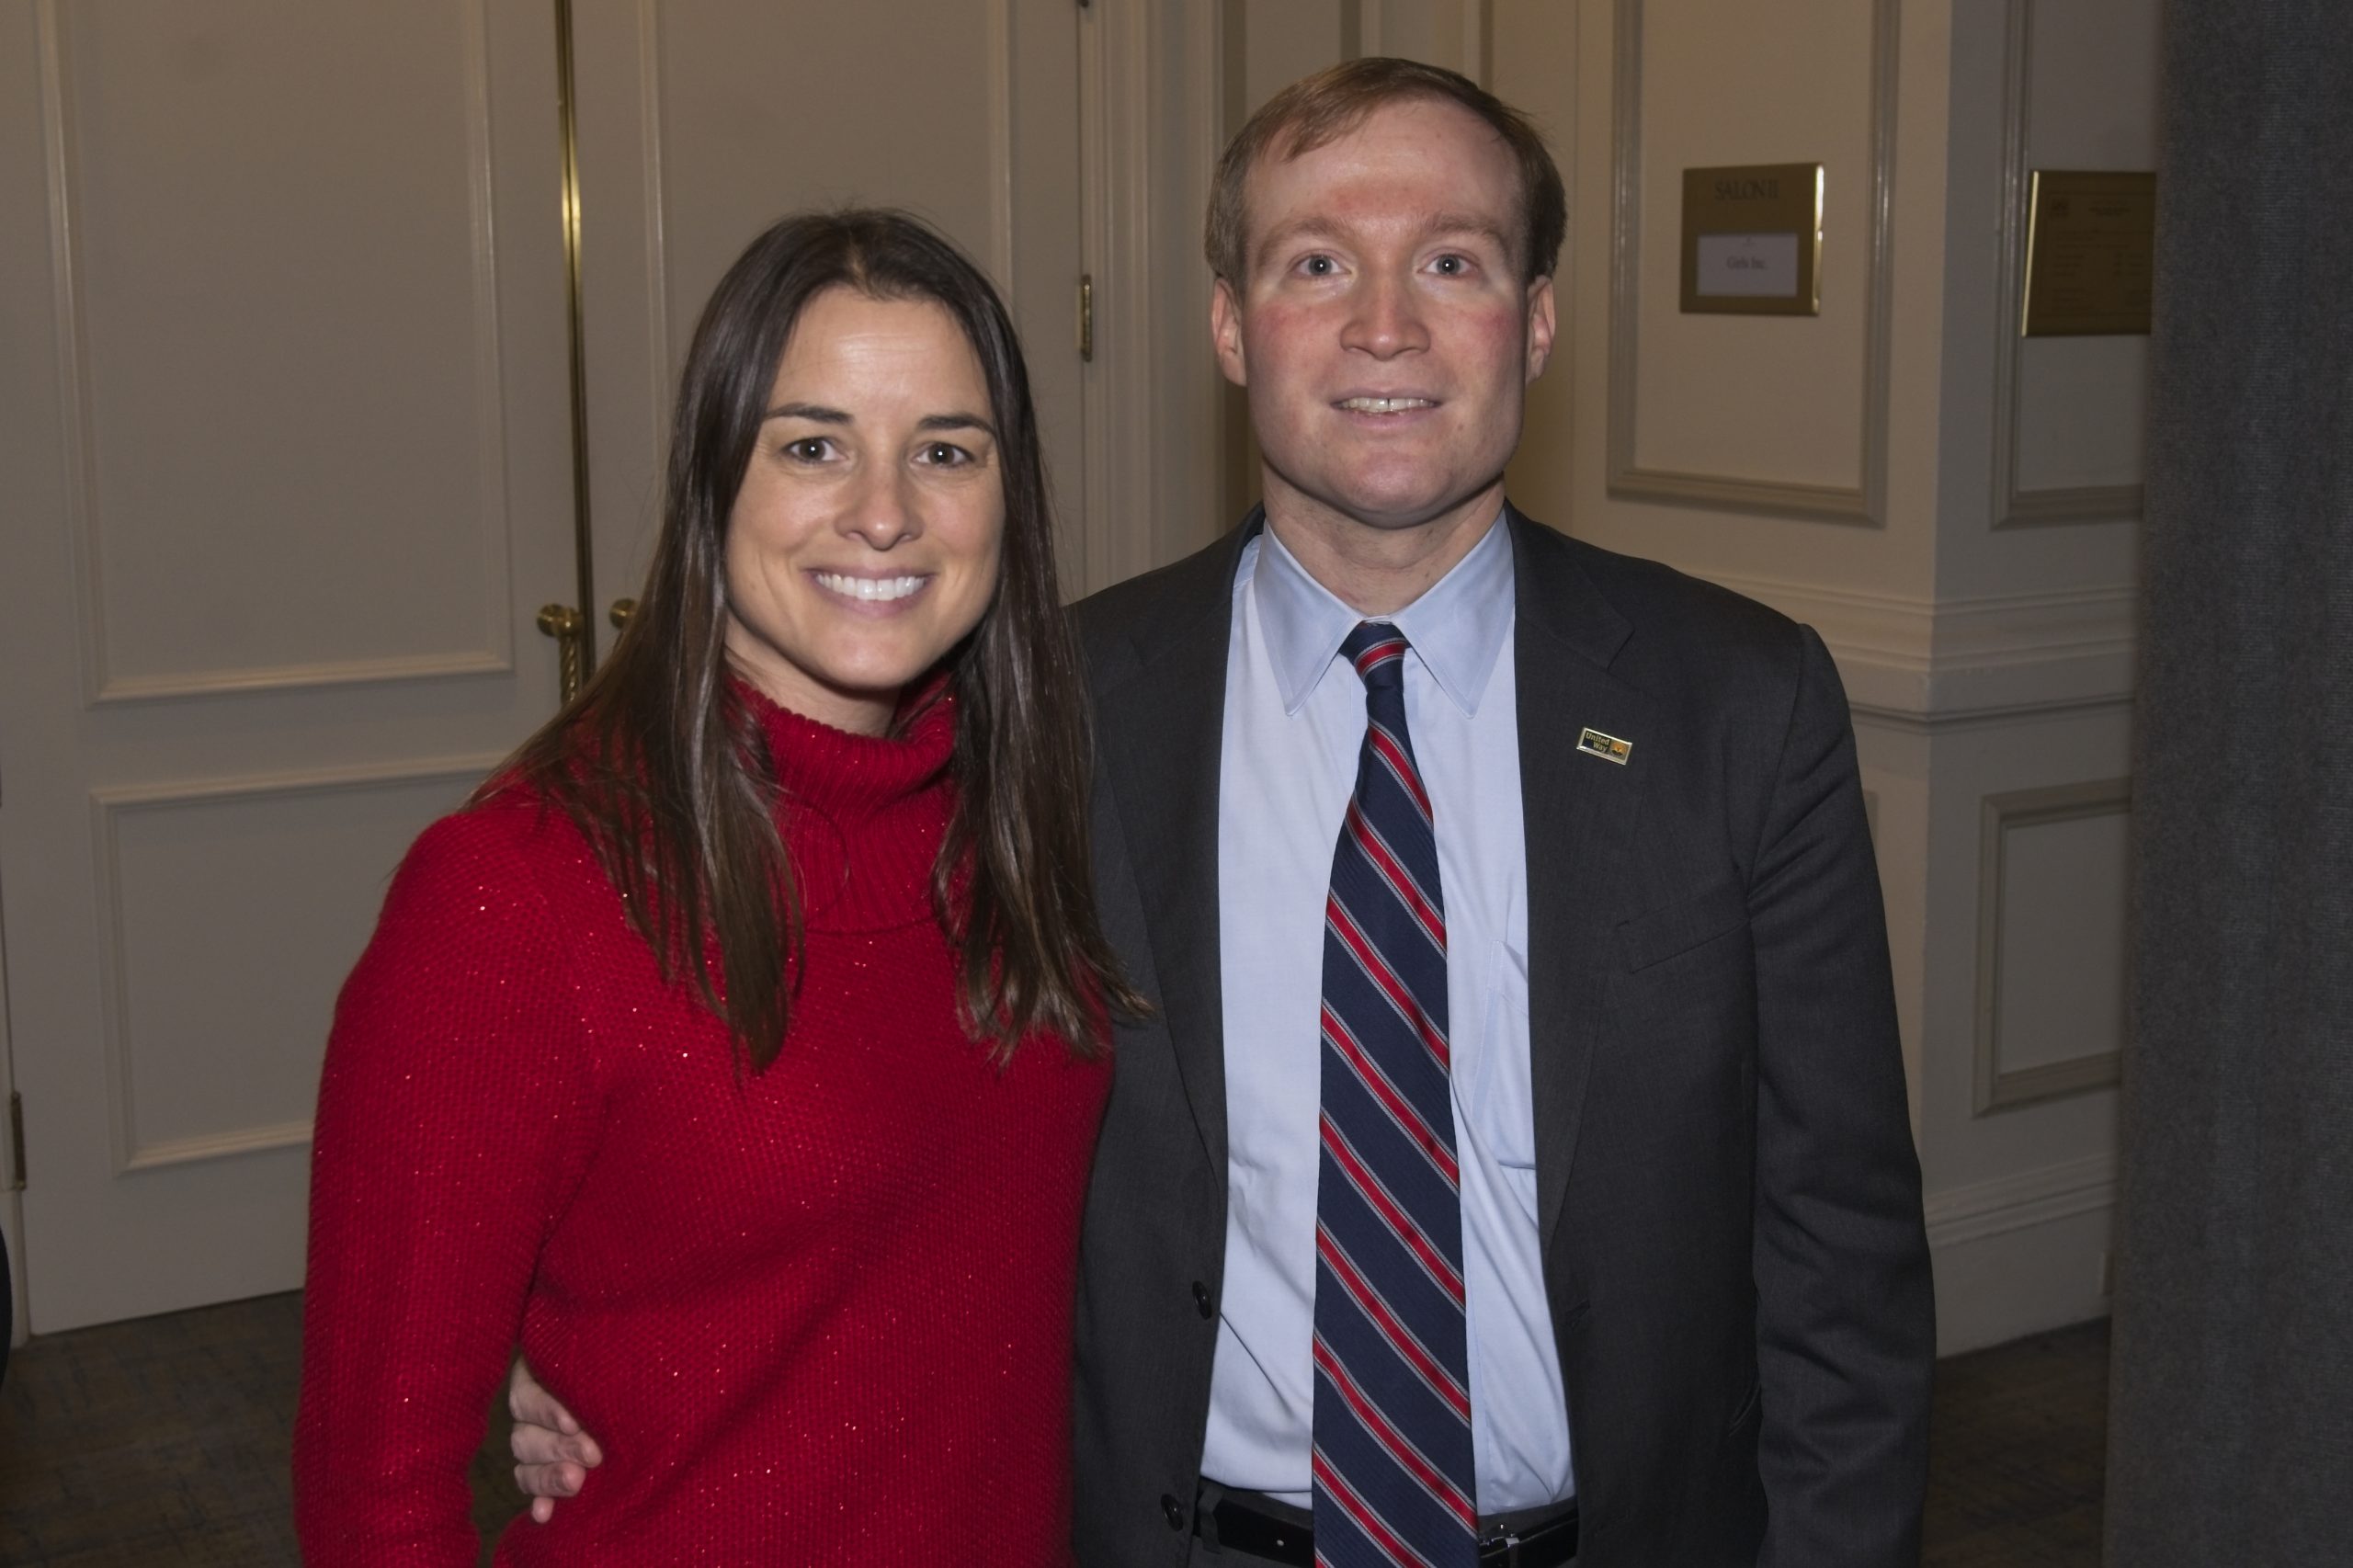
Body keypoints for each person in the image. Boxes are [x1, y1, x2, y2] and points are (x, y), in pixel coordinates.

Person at [512, 59, 1935, 1567]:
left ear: (1534, 321)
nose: (1384, 324)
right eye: (1316, 263)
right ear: (1230, 327)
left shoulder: (1739, 708)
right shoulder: (1042, 708)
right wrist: (589, 1323)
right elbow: (817, 1081)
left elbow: (1841, 1252)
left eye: (1451, 262)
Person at [293, 209, 1138, 1565]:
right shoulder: (512, 900)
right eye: (813, 445)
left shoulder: (1027, 826)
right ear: (711, 481)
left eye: (946, 450)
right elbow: (374, 1497)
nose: (884, 511)